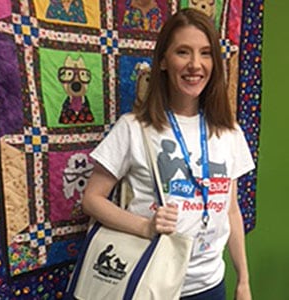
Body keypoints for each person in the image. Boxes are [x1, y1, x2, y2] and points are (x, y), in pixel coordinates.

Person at [81, 8, 255, 300]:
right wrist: (145, 226)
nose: (195, 65)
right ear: (163, 60)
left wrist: (243, 281)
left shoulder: (228, 132)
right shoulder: (133, 128)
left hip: (211, 286)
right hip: (150, 282)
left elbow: (231, 210)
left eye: (205, 53)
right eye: (183, 52)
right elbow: (91, 200)